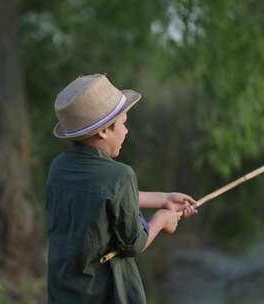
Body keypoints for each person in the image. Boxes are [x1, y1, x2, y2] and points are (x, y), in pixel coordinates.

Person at [46, 74, 197, 304]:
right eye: (123, 123)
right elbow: (134, 243)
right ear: (105, 130)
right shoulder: (121, 174)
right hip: (104, 296)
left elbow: (102, 198)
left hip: (64, 292)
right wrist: (162, 220)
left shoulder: (60, 167)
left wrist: (162, 198)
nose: (126, 131)